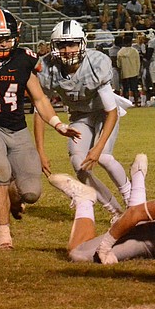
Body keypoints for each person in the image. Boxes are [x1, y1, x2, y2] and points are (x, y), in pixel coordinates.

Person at [0, 9, 78, 249]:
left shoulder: (23, 59)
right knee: (0, 172)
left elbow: (40, 99)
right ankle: (3, 235)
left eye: (6, 38)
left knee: (31, 193)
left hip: (18, 130)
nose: (2, 43)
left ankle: (12, 193)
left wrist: (58, 124)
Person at [36, 19, 134, 222]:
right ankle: (115, 212)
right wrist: (41, 151)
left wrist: (97, 149)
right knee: (79, 165)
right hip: (80, 116)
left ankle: (132, 200)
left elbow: (111, 111)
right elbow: (40, 108)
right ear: (54, 47)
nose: (67, 50)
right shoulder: (47, 67)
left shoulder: (95, 63)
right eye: (62, 45)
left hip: (104, 114)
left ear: (82, 44)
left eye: (72, 44)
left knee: (104, 157)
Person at [116, 33, 141, 106]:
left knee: (125, 89)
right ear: (131, 42)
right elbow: (138, 62)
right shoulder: (135, 51)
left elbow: (118, 64)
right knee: (134, 89)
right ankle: (136, 103)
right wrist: (137, 71)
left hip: (124, 73)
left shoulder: (120, 52)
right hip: (134, 72)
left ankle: (126, 104)